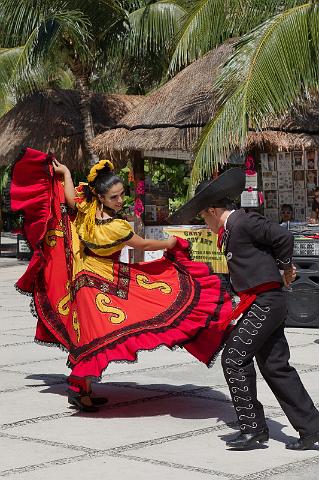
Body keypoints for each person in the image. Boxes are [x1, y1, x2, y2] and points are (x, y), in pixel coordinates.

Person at [10, 147, 233, 412]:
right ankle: (78, 388)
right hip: (99, 283)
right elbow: (145, 243)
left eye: (121, 194)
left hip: (89, 280)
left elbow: (70, 200)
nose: (120, 200)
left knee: (93, 339)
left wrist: (67, 173)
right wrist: (171, 242)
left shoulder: (87, 211)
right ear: (101, 197)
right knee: (103, 336)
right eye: (114, 197)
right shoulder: (116, 226)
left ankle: (82, 389)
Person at [168, 168, 319, 451]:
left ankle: (253, 429)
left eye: (203, 215)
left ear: (212, 210)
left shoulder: (242, 222)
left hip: (266, 302)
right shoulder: (230, 230)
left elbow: (283, 238)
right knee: (275, 367)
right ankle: (311, 428)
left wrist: (286, 269)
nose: (204, 221)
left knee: (234, 358)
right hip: (261, 302)